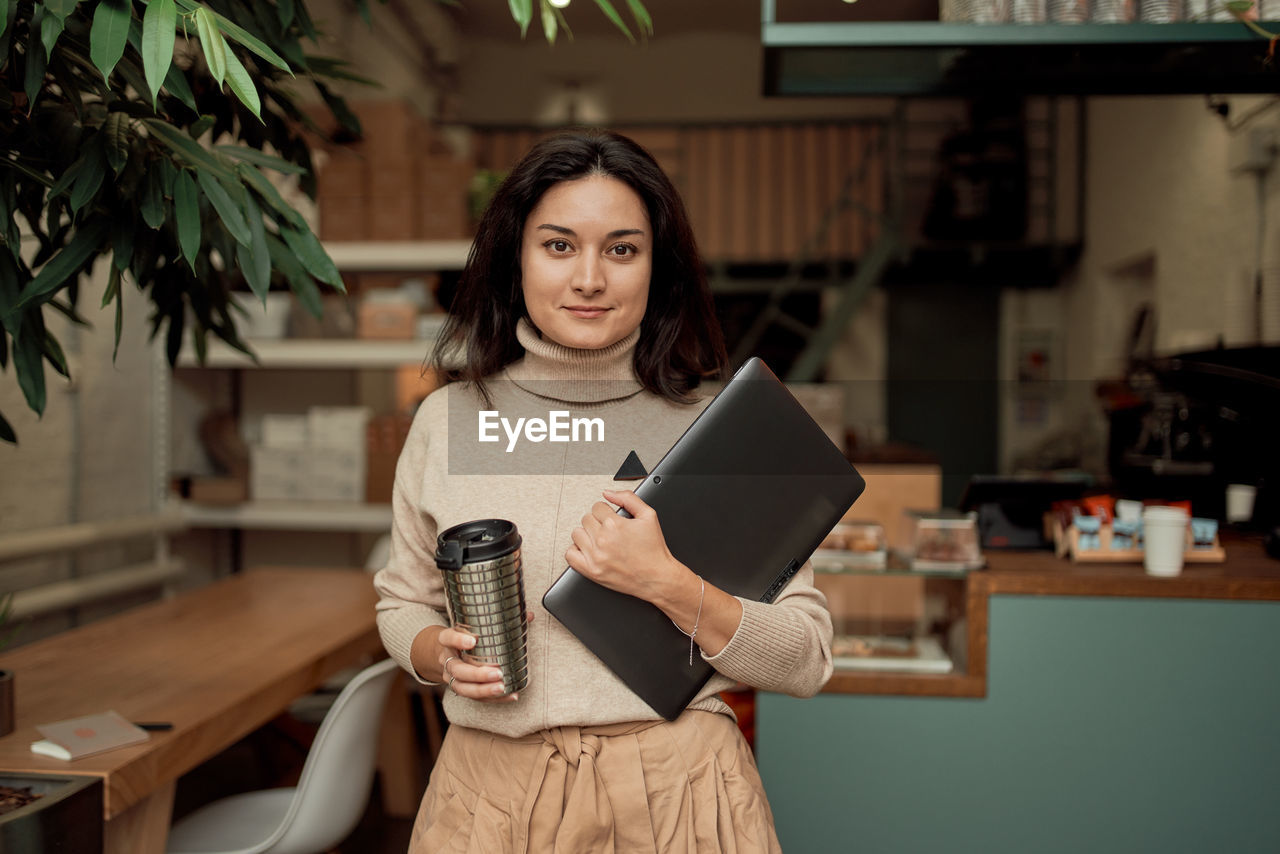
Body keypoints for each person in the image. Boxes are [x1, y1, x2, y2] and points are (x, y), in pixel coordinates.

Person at [373, 128, 833, 853]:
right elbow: (402, 603)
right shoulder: (450, 421)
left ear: (658, 268)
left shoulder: (716, 430)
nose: (589, 279)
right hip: (486, 804)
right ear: (514, 258)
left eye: (622, 249)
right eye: (559, 245)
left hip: (681, 796)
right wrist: (437, 652)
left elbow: (805, 657)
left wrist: (668, 584)